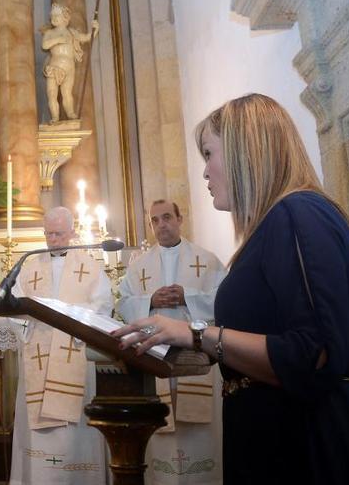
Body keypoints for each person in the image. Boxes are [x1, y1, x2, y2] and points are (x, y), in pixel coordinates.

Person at [111, 93, 349, 484]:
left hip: (301, 441)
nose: (205, 172)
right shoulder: (281, 220)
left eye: (209, 153)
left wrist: (195, 333)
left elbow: (312, 354)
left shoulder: (296, 214)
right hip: (276, 432)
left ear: (244, 151)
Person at [117, 200, 226, 484]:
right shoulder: (138, 266)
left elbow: (225, 301)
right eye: (155, 220)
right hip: (156, 360)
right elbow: (122, 304)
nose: (161, 224)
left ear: (180, 219)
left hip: (197, 359)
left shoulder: (208, 260)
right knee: (161, 427)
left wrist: (187, 296)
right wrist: (149, 300)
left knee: (199, 433)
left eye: (167, 217)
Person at [9, 206, 112, 484]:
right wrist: (28, 327)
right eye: (48, 234)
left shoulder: (89, 267)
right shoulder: (30, 266)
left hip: (74, 351)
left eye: (59, 233)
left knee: (76, 422)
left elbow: (103, 305)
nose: (53, 239)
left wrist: (77, 332)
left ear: (72, 232)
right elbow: (14, 305)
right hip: (38, 352)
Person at [41, 3, 99, 122]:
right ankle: (55, 117)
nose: (54, 18)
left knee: (67, 92)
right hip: (54, 66)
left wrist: (95, 29)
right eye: (52, 16)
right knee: (52, 93)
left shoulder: (72, 33)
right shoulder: (50, 33)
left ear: (65, 18)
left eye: (57, 15)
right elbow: (45, 45)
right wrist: (59, 40)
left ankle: (71, 113)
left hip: (69, 67)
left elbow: (87, 38)